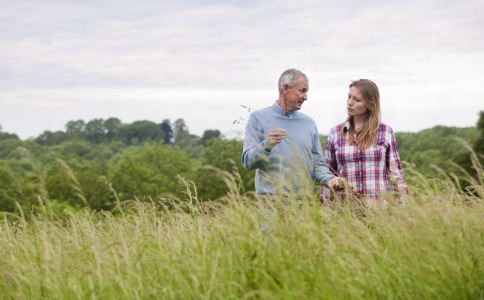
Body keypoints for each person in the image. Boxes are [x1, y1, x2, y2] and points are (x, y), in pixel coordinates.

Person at [241, 69, 346, 196]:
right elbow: (247, 162)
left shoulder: (309, 123)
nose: (306, 97)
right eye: (302, 91)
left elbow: (317, 163)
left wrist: (330, 179)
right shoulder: (257, 118)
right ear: (285, 88)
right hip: (270, 204)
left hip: (305, 204)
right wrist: (266, 145)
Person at [321, 79, 407, 205]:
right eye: (349, 97)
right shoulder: (335, 133)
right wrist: (324, 208)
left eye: (357, 100)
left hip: (379, 211)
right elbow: (328, 174)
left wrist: (405, 209)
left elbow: (396, 175)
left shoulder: (385, 132)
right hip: (345, 212)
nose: (350, 103)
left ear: (370, 103)